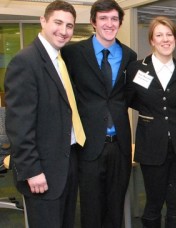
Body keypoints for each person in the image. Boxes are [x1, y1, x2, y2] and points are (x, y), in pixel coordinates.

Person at [4, 1, 83, 227]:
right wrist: (32, 170)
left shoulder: (60, 59)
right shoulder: (25, 61)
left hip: (66, 162)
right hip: (42, 171)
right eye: (58, 23)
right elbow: (19, 124)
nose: (64, 30)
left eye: (69, 26)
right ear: (43, 21)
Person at [61, 0, 137, 227]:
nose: (109, 23)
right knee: (91, 208)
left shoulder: (129, 56)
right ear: (93, 22)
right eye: (103, 18)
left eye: (114, 19)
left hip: (120, 145)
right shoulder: (73, 53)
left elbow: (131, 94)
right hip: (88, 145)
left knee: (116, 207)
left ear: (120, 23)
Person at [125, 16, 176, 228]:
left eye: (169, 35)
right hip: (150, 145)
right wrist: (151, 113)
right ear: (152, 41)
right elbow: (128, 99)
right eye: (159, 35)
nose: (165, 39)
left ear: (175, 39)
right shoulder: (136, 69)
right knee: (153, 203)